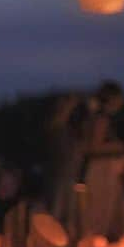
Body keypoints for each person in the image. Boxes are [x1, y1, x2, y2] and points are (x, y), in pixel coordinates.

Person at [82, 81, 124, 241]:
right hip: (102, 171)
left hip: (106, 170)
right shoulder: (101, 119)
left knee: (110, 211)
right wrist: (123, 147)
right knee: (101, 213)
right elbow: (94, 148)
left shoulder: (99, 118)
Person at [43, 93, 84, 226]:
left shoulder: (69, 129)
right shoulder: (55, 128)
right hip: (58, 176)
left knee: (68, 213)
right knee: (56, 211)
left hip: (69, 176)